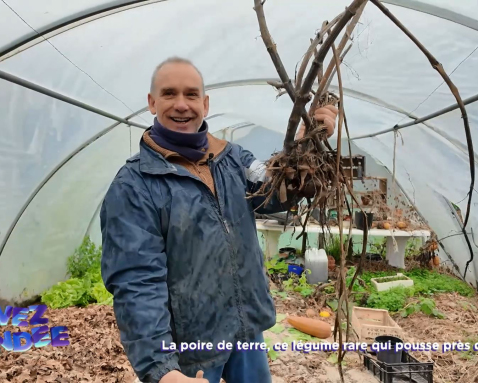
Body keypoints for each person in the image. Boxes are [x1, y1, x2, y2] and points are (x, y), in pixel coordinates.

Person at [100, 57, 338, 383]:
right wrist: (162, 371)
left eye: (191, 94)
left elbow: (272, 187)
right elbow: (137, 283)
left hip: (245, 328)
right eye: (169, 94)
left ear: (205, 104)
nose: (182, 105)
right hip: (190, 346)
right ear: (152, 103)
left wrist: (305, 144)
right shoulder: (134, 185)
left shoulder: (235, 159)